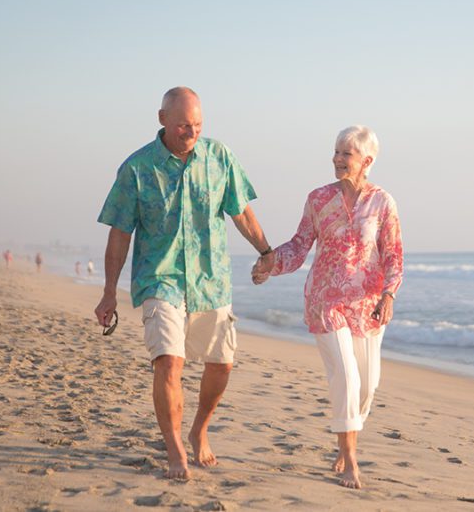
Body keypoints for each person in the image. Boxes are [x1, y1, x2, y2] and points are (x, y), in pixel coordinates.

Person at [94, 86, 274, 481]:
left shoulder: (219, 157)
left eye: (196, 126)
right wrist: (109, 290)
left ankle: (199, 430)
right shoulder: (137, 168)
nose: (190, 133)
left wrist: (266, 250)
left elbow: (240, 210)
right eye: (182, 126)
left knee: (222, 365)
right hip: (161, 278)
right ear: (162, 120)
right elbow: (120, 232)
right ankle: (174, 447)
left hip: (212, 280)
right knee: (169, 362)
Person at [253, 125, 403, 490]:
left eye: (345, 154)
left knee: (368, 385)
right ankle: (349, 456)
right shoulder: (318, 199)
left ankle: (346, 435)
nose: (337, 159)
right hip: (325, 300)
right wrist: (270, 263)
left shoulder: (383, 202)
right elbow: (300, 244)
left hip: (367, 304)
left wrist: (389, 295)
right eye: (336, 152)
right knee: (347, 378)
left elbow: (393, 254)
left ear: (366, 161)